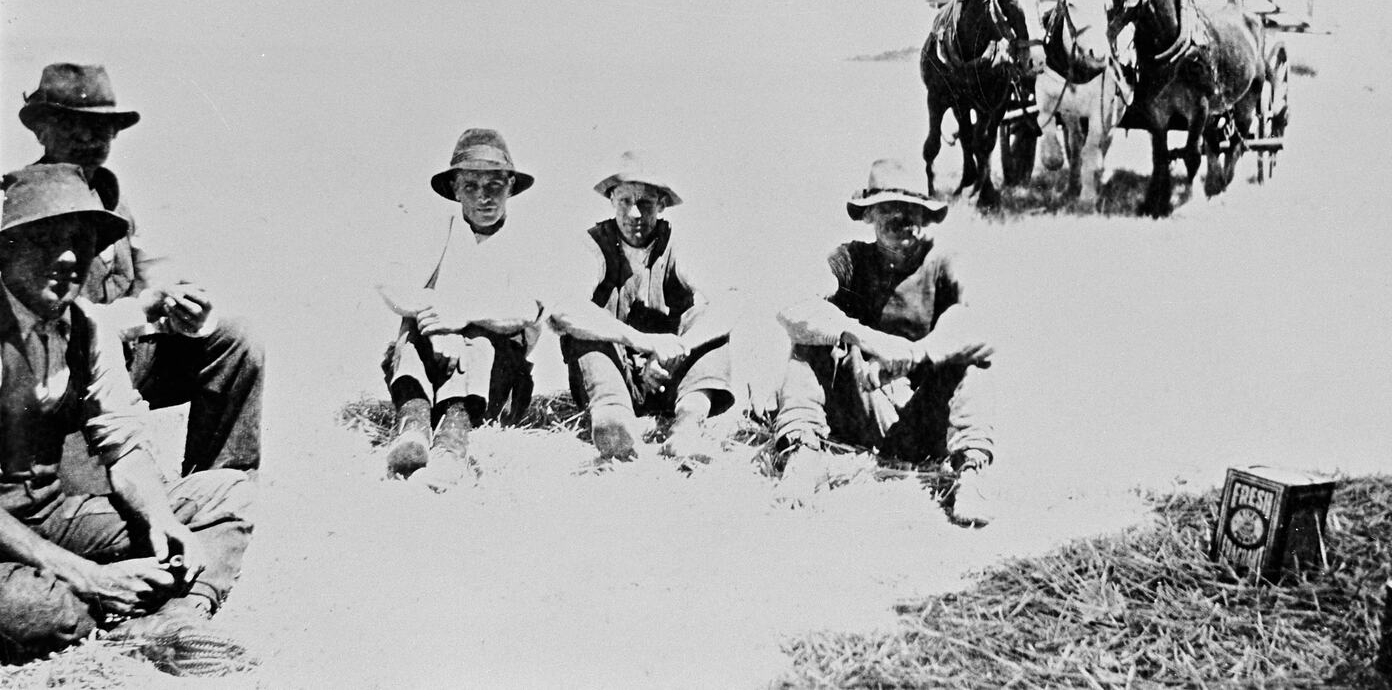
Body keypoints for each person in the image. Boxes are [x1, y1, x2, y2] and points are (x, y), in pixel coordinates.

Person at [0, 164, 255, 671]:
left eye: (81, 243)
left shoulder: (85, 326)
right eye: (47, 240)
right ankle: (112, 612)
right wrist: (87, 575)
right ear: (8, 249)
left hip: (49, 515)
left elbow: (123, 446)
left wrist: (161, 519)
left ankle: (178, 617)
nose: (68, 258)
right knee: (36, 609)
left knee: (229, 493)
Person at [18, 64, 263, 481]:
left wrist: (182, 304)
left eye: (101, 128)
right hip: (60, 376)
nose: (88, 138)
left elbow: (151, 273)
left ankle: (220, 485)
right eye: (72, 125)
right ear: (41, 130)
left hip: (122, 360)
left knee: (236, 338)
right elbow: (48, 327)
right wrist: (143, 309)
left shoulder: (112, 198)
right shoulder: (23, 207)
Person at [772, 159, 1000, 527]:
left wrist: (913, 354)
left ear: (926, 216)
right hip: (862, 403)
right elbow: (792, 304)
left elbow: (982, 323)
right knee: (810, 339)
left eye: (910, 209)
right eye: (887, 208)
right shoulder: (850, 260)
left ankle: (971, 473)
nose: (899, 218)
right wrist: (867, 339)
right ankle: (802, 454)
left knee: (973, 362)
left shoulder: (944, 262)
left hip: (925, 417)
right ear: (868, 215)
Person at [376, 128, 545, 490]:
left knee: (482, 338)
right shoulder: (439, 232)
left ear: (511, 186)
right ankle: (414, 426)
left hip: (494, 381)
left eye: (494, 185)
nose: (484, 197)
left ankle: (451, 447)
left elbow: (527, 309)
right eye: (471, 186)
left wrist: (462, 315)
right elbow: (390, 285)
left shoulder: (527, 242)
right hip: (435, 367)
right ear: (455, 189)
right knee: (413, 321)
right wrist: (440, 325)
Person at [550, 151, 734, 463]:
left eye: (645, 203)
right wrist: (644, 342)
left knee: (705, 319)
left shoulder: (679, 245)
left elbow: (730, 302)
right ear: (611, 200)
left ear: (661, 205)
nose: (634, 213)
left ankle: (687, 429)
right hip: (614, 374)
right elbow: (563, 309)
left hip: (669, 379)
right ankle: (613, 426)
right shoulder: (592, 246)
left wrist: (677, 350)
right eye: (625, 201)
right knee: (584, 327)